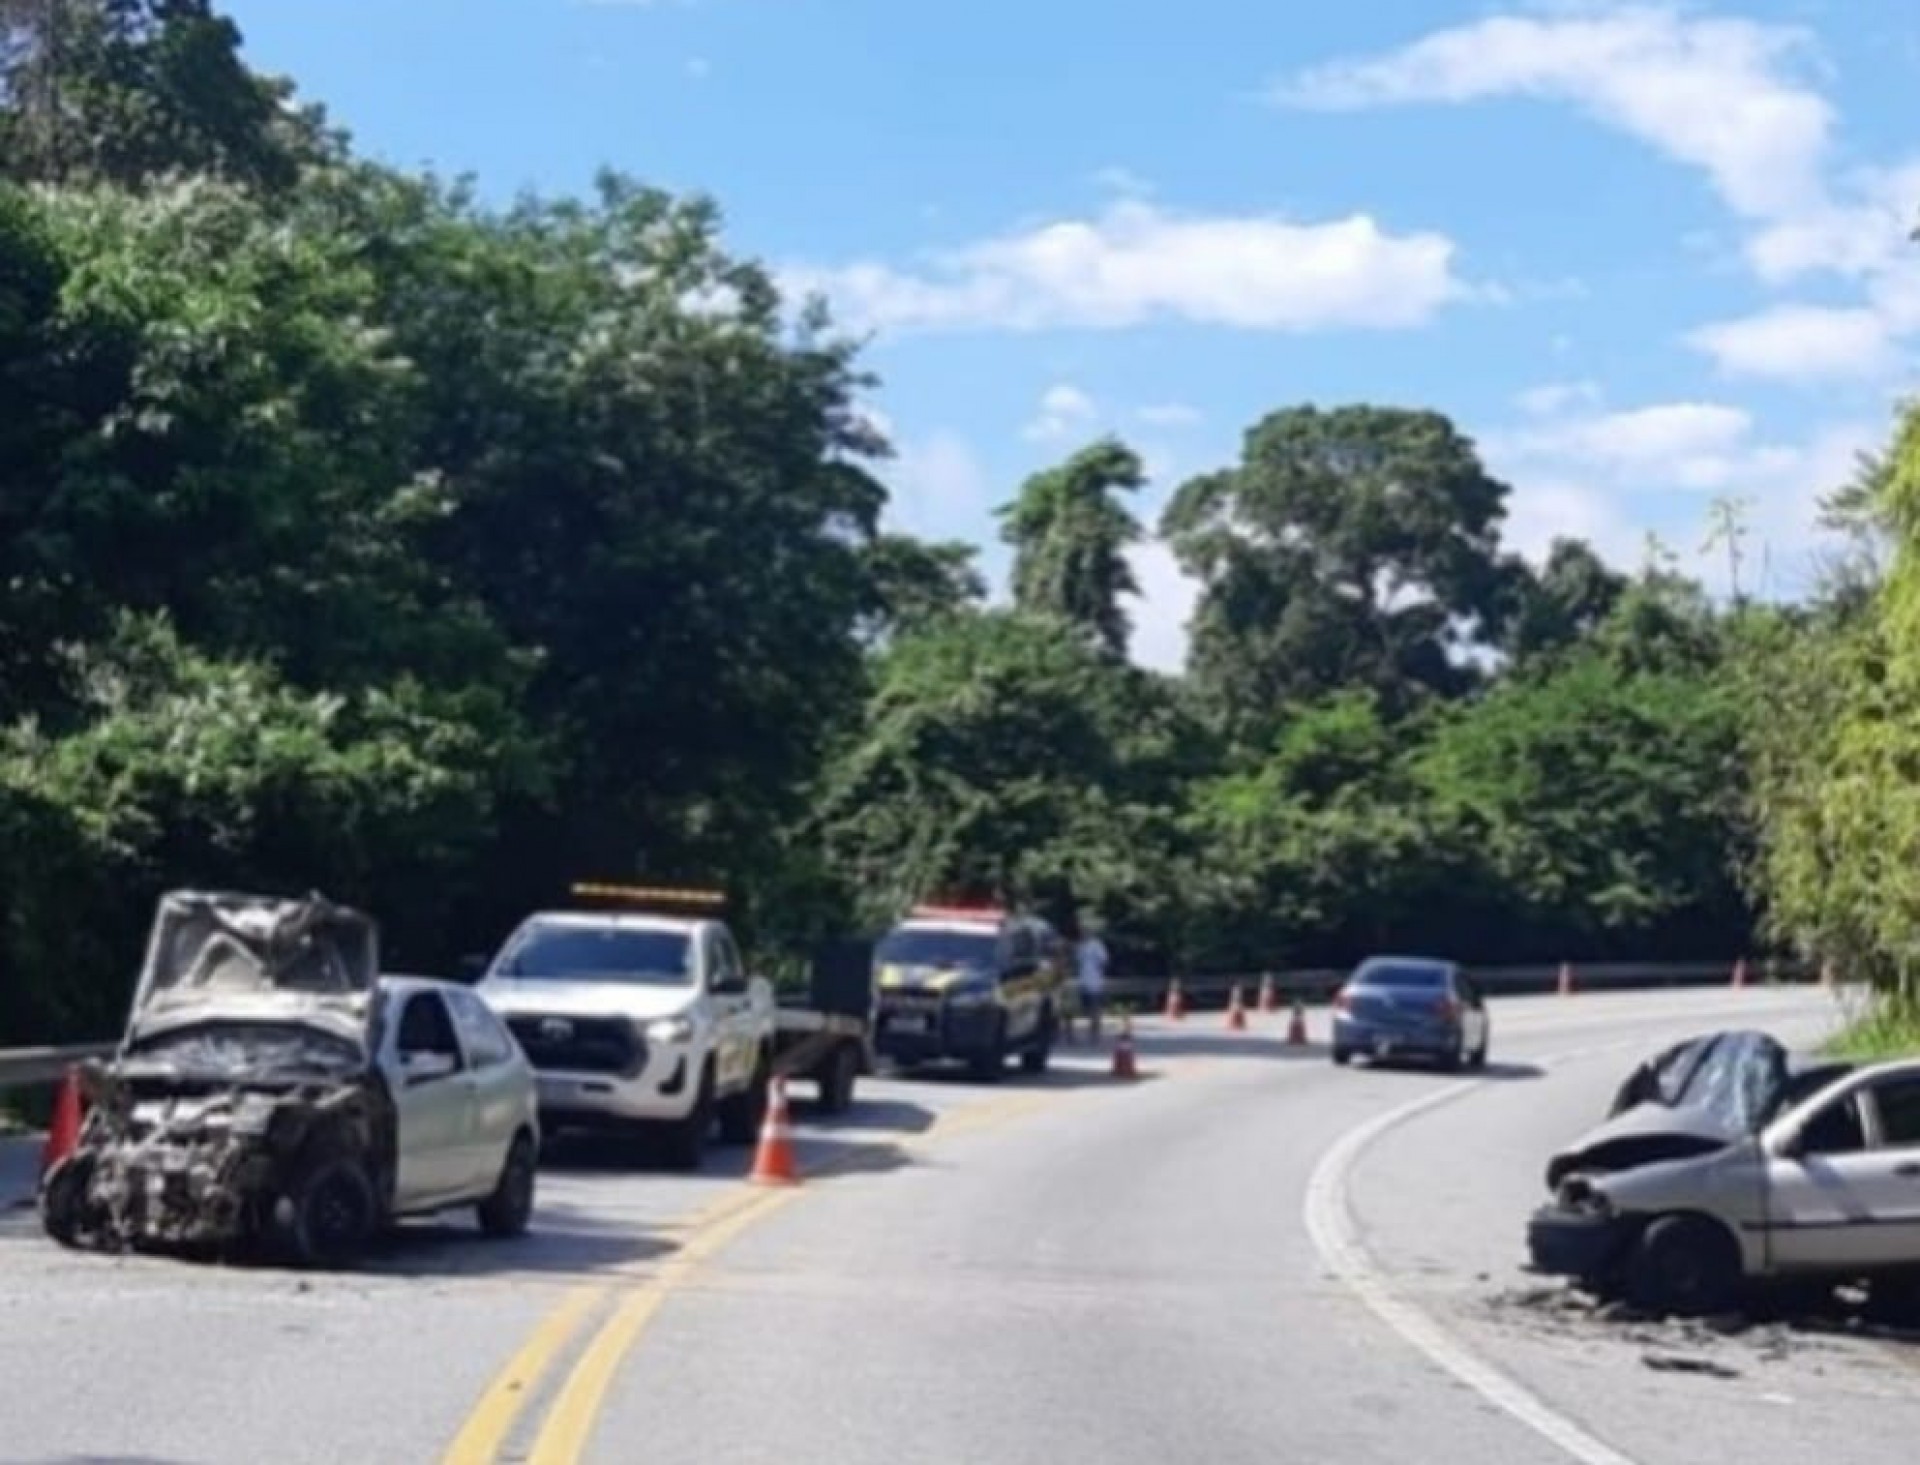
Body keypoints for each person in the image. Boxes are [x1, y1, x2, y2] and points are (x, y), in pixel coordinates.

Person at [1074, 923, 1110, 1042]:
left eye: (1086, 931)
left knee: (1095, 1007)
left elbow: (1104, 961)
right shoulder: (1081, 946)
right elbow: (1077, 962)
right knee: (1087, 1008)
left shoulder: (1097, 945)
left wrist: (1099, 973)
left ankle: (1096, 1033)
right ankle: (1091, 1031)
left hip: (1095, 981)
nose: (1083, 934)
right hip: (1083, 980)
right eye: (1082, 932)